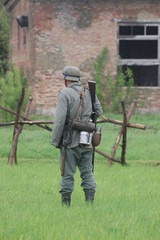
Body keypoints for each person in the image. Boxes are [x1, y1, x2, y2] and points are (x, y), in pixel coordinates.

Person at [51, 66, 103, 206]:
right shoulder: (89, 91)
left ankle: (66, 207)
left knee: (67, 174)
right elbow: (99, 111)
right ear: (78, 79)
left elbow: (60, 119)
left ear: (66, 80)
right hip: (87, 140)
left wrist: (55, 141)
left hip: (70, 141)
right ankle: (90, 205)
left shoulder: (64, 93)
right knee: (87, 174)